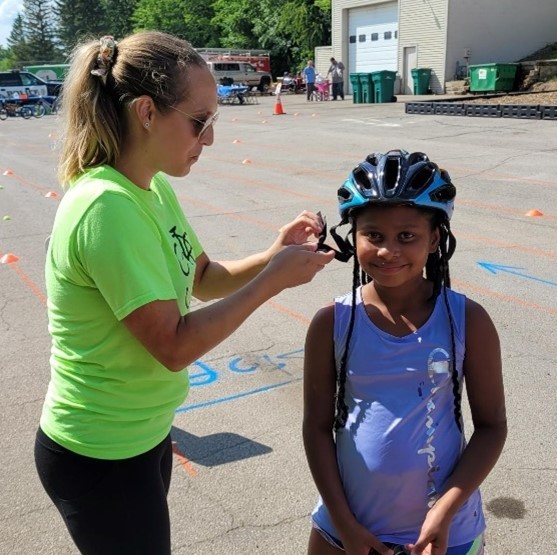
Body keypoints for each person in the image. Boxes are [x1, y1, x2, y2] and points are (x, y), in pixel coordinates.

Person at [34, 31, 335, 555]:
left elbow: (202, 277)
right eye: (201, 122)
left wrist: (271, 253)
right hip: (101, 450)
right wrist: (272, 281)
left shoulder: (149, 187)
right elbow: (172, 346)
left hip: (142, 433)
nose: (210, 139)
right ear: (146, 112)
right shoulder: (106, 207)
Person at [303, 150, 507, 555]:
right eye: (373, 235)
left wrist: (445, 510)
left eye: (407, 236)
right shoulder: (331, 322)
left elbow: (491, 426)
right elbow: (316, 427)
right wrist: (343, 523)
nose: (388, 251)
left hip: (444, 532)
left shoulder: (468, 320)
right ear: (353, 236)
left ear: (435, 239)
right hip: (344, 527)